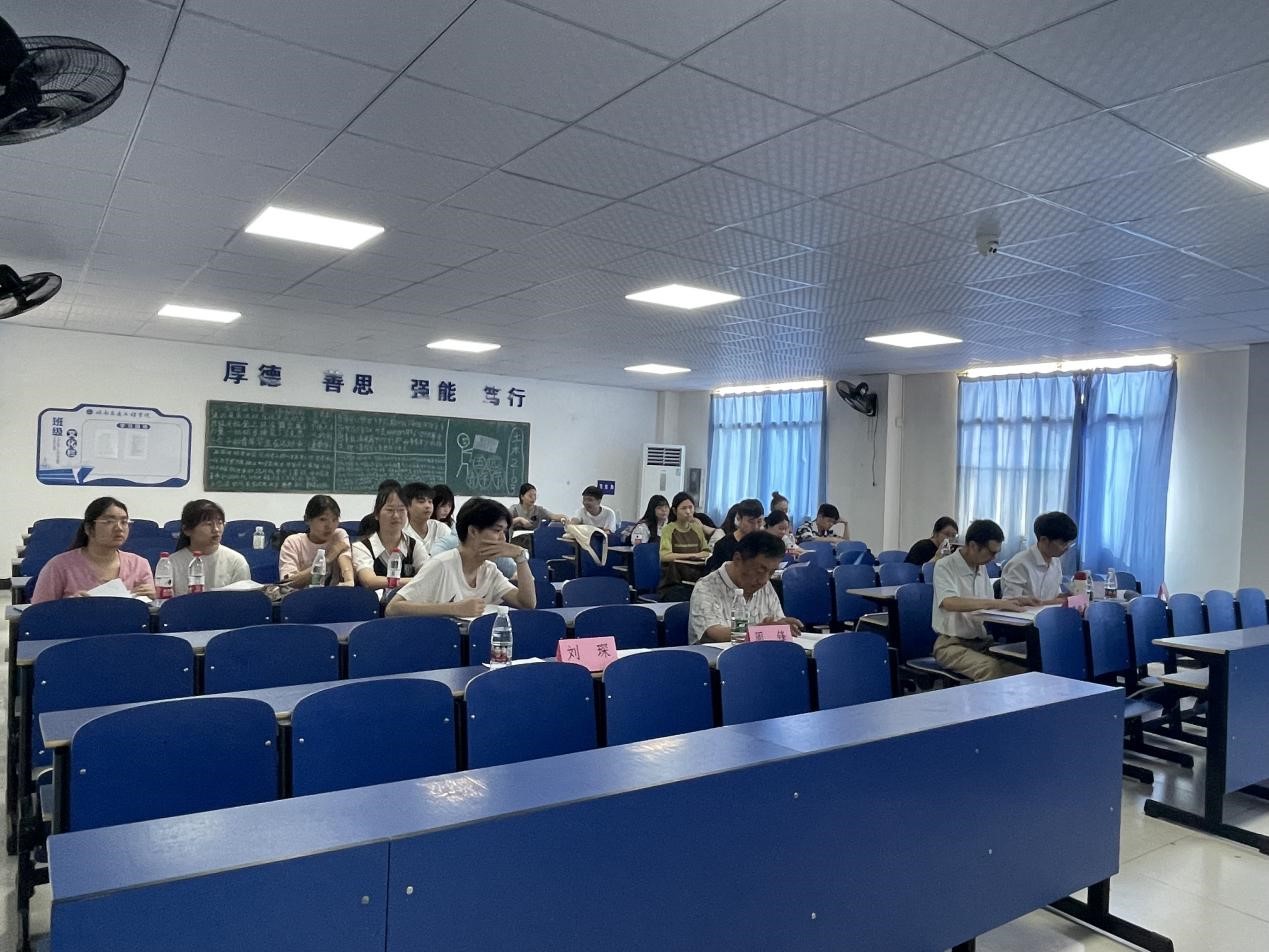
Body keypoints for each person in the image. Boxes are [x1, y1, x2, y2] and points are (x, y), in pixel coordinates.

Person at [387, 497, 536, 617]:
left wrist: (520, 557)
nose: (503, 539)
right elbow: (393, 609)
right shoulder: (441, 564)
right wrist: (453, 608)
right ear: (473, 531)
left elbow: (527, 603)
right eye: (497, 531)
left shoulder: (489, 570)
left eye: (504, 532)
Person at [931, 519, 1037, 682]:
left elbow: (988, 604)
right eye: (992, 553)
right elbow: (950, 602)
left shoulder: (981, 568)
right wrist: (996, 603)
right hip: (951, 645)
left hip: (981, 643)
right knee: (989, 668)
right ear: (973, 546)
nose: (994, 558)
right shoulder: (945, 565)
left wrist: (1016, 601)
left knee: (1023, 668)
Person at [30, 497, 155, 602]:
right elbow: (38, 614)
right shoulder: (59, 566)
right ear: (89, 528)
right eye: (109, 521)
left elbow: (149, 612)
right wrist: (67, 606)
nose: (119, 528)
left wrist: (154, 598)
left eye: (124, 522)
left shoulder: (139, 564)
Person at [689, 531, 803, 644]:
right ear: (738, 559)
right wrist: (758, 631)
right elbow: (713, 633)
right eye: (760, 570)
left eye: (771, 572)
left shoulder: (765, 584)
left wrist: (781, 625)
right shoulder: (706, 587)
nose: (764, 580)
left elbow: (775, 620)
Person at [169, 499, 250, 594]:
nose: (216, 529)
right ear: (187, 530)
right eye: (208, 524)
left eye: (220, 523)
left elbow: (242, 600)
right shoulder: (171, 563)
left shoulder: (236, 561)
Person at [352, 485, 421, 591]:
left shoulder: (415, 545)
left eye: (401, 510)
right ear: (376, 514)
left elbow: (430, 576)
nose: (396, 515)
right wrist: (414, 581)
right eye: (390, 510)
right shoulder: (362, 547)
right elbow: (369, 581)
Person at [1001, 511, 1078, 605]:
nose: (1067, 548)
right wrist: (1049, 602)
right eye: (1063, 543)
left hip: (1049, 613)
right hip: (1025, 614)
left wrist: (1064, 596)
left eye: (1069, 543)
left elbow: (1054, 596)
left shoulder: (1055, 561)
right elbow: (1010, 603)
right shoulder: (1020, 564)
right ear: (1044, 540)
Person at [278, 494, 354, 587]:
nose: (329, 526)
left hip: (331, 593)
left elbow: (345, 558)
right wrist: (327, 560)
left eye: (334, 520)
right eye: (322, 519)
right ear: (307, 519)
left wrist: (349, 580)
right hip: (300, 594)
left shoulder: (338, 535)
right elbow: (287, 583)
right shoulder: (292, 542)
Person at [658, 491, 711, 600]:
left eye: (691, 507)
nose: (688, 511)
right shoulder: (668, 529)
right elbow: (664, 556)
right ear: (674, 510)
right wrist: (690, 556)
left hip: (695, 580)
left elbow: (706, 552)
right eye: (683, 508)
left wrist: (697, 555)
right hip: (673, 582)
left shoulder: (696, 528)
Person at [705, 498, 764, 572]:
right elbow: (717, 574)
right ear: (738, 518)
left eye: (759, 521)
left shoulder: (764, 543)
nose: (756, 526)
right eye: (751, 522)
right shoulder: (723, 545)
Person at [401, 482, 451, 557]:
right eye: (421, 502)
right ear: (407, 505)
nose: (428, 506)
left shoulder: (441, 529)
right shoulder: (401, 532)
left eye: (430, 502)